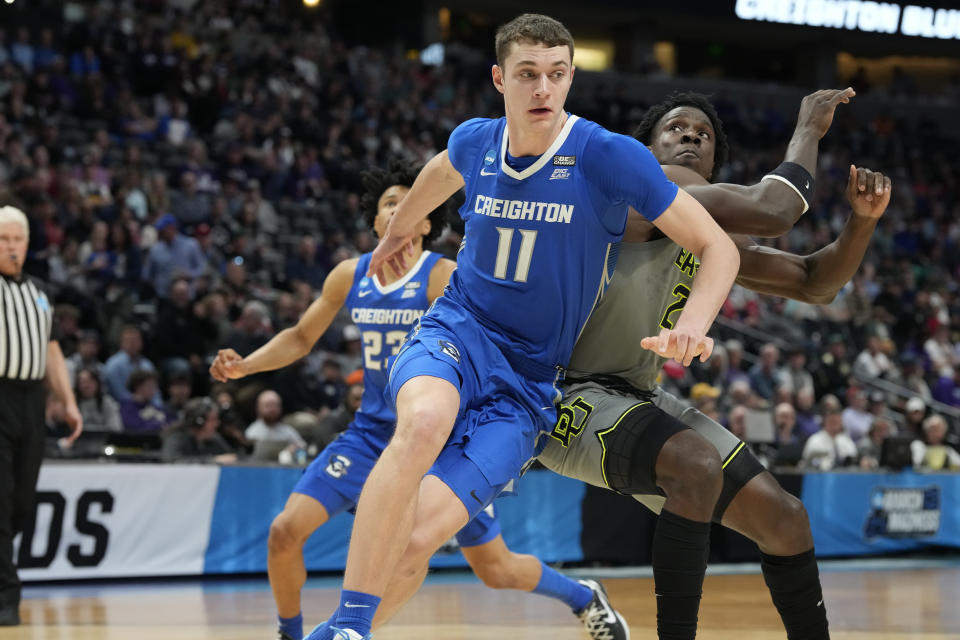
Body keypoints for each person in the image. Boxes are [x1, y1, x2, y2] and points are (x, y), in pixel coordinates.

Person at [310, 14, 741, 640]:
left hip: (529, 382)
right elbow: (439, 172)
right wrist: (402, 226)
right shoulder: (474, 140)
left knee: (416, 544)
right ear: (499, 78)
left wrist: (694, 324)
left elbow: (717, 247)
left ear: (570, 78)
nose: (543, 88)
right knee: (424, 421)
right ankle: (347, 628)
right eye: (528, 74)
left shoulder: (606, 156)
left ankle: (351, 628)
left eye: (557, 75)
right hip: (458, 331)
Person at [210, 160, 621, 640]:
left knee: (495, 568)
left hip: (440, 440)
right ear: (377, 221)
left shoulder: (443, 275)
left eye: (410, 201)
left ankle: (584, 596)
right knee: (284, 532)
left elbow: (488, 349)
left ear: (427, 219)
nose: (400, 208)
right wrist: (246, 366)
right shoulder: (350, 274)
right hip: (370, 436)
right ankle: (293, 633)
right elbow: (301, 338)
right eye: (390, 203)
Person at [538, 87, 888, 640]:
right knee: (697, 467)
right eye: (675, 128)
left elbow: (815, 284)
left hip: (637, 395)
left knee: (786, 520)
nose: (690, 137)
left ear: (712, 169)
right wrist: (809, 131)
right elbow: (776, 210)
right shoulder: (640, 189)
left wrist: (863, 221)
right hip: (562, 395)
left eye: (701, 135)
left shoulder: (704, 227)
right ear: (646, 148)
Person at [0, 205, 82, 626]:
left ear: (28, 244)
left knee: (21, 503)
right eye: (3, 239)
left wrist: (67, 401)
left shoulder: (39, 292)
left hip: (32, 401)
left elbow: (52, 351)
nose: (11, 247)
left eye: (17, 239)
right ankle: (6, 597)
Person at [160, 397, 238, 464]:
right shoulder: (176, 440)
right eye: (213, 420)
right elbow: (172, 462)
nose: (217, 424)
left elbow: (230, 457)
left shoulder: (215, 439)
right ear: (199, 422)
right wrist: (212, 461)